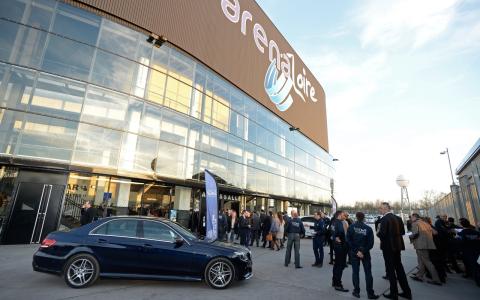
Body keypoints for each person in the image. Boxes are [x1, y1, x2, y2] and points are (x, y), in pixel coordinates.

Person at [377, 202, 411, 300]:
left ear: (386, 209)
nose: (380, 210)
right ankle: (407, 292)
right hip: (397, 247)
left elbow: (382, 234)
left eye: (381, 208)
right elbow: (402, 232)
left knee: (391, 271)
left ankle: (394, 293)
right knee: (399, 269)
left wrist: (378, 232)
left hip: (388, 248)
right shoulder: (398, 218)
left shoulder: (384, 219)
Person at [347, 212, 379, 299]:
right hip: (364, 253)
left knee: (355, 272)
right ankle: (370, 293)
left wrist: (357, 251)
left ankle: (356, 291)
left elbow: (348, 240)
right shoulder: (368, 228)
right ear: (364, 218)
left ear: (356, 217)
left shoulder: (351, 227)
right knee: (368, 273)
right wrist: (362, 251)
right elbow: (371, 243)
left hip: (355, 253)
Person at [409, 213, 442, 285]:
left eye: (411, 217)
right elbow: (435, 232)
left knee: (427, 262)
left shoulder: (415, 223)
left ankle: (436, 279)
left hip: (420, 245)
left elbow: (415, 234)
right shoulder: (425, 223)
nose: (410, 219)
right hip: (428, 245)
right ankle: (419, 276)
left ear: (414, 217)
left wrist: (410, 236)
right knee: (421, 261)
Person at [332, 210, 349, 292]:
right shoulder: (338, 223)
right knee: (340, 266)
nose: (344, 216)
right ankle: (338, 284)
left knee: (336, 265)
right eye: (343, 214)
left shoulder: (334, 222)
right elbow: (341, 234)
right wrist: (336, 238)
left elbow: (331, 232)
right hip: (340, 247)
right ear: (339, 215)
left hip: (337, 246)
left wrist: (334, 237)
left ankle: (334, 281)